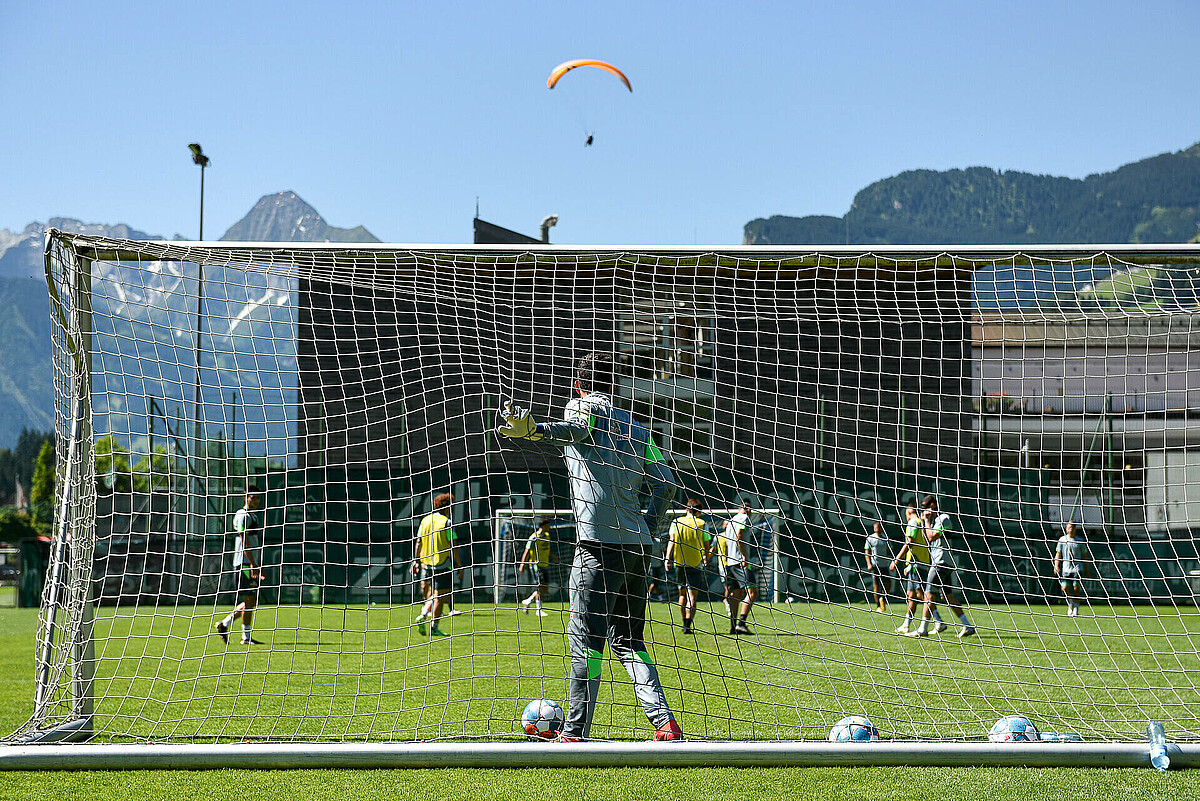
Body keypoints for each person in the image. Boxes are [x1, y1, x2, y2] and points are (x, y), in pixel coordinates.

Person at [497, 351, 682, 742]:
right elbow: (665, 483)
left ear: (578, 385)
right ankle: (664, 722)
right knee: (630, 642)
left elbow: (577, 429)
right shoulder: (640, 430)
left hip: (597, 547)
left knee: (585, 641)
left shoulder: (583, 409)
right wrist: (646, 526)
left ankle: (574, 729)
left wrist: (536, 431)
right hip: (638, 549)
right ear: (616, 387)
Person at [906, 495, 975, 639]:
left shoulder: (944, 518)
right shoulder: (933, 521)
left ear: (933, 505)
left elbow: (931, 537)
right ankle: (967, 625)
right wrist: (927, 522)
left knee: (928, 593)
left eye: (925, 508)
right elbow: (927, 538)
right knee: (947, 596)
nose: (923, 511)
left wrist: (926, 521)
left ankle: (923, 629)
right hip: (942, 562)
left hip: (941, 562)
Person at [215, 486, 264, 646]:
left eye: (257, 498)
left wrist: (257, 563)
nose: (255, 501)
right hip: (243, 564)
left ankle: (225, 624)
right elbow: (244, 542)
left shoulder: (254, 516)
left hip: (250, 563)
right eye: (252, 497)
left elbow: (255, 543)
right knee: (249, 600)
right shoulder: (242, 515)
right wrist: (252, 563)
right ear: (246, 497)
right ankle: (245, 637)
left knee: (251, 600)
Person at [412, 492, 461, 637]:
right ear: (446, 507)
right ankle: (434, 627)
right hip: (442, 563)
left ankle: (423, 614)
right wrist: (458, 565)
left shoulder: (425, 520)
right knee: (440, 596)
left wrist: (416, 561)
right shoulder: (447, 522)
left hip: (426, 564)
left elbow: (418, 541)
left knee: (432, 594)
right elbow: (454, 545)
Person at [664, 499, 712, 634]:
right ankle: (688, 624)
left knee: (682, 594)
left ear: (687, 509)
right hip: (696, 564)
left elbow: (671, 541)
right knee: (692, 596)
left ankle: (683, 622)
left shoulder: (676, 522)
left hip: (679, 563)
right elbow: (707, 545)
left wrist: (668, 558)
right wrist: (705, 557)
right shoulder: (702, 523)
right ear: (699, 511)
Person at [890, 507, 940, 634]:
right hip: (919, 562)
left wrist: (897, 559)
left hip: (916, 564)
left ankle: (938, 620)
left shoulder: (913, 522)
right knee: (911, 595)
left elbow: (910, 542)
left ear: (907, 512)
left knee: (921, 594)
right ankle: (906, 624)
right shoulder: (922, 523)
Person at [718, 500, 757, 635]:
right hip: (740, 562)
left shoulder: (731, 521)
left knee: (736, 594)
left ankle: (733, 626)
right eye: (749, 509)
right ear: (745, 509)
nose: (750, 512)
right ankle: (741, 623)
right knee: (752, 592)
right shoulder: (743, 518)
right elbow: (739, 537)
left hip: (731, 562)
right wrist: (744, 556)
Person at [1054, 521, 1090, 617]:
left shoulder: (1080, 541)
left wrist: (1087, 569)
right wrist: (1056, 565)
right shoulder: (1062, 540)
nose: (1070, 529)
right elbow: (1058, 554)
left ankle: (1076, 608)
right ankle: (1070, 602)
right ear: (1066, 528)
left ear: (1075, 529)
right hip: (1066, 569)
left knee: (1076, 587)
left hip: (1077, 568)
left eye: (1072, 527)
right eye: (1068, 527)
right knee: (1065, 588)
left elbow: (1085, 555)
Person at [520, 518, 554, 617]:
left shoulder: (547, 536)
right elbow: (527, 551)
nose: (550, 527)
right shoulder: (534, 537)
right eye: (548, 525)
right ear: (543, 526)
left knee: (545, 588)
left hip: (545, 565)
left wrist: (553, 556)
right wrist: (522, 564)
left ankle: (528, 601)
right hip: (536, 565)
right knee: (540, 586)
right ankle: (539, 610)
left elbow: (546, 549)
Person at [863, 521, 892, 612]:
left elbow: (890, 550)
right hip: (876, 566)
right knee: (876, 587)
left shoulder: (885, 538)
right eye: (875, 527)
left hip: (884, 565)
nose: (877, 528)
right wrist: (869, 563)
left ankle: (882, 599)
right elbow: (866, 552)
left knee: (888, 585)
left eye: (878, 527)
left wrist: (893, 561)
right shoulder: (870, 538)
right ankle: (878, 606)